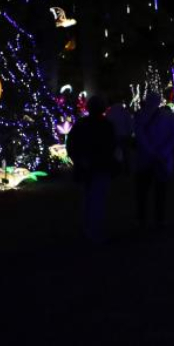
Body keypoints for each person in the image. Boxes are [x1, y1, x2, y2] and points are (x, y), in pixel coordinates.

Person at [67, 94, 118, 243]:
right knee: (98, 199)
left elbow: (71, 145)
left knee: (88, 198)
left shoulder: (81, 125)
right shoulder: (107, 125)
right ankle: (95, 229)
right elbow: (111, 146)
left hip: (86, 166)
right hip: (101, 167)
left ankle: (87, 227)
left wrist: (78, 160)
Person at [133, 92, 174, 228]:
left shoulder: (140, 116)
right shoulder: (169, 116)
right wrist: (164, 151)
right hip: (162, 159)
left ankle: (142, 219)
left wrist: (150, 151)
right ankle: (159, 219)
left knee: (142, 192)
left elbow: (139, 136)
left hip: (145, 159)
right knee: (160, 191)